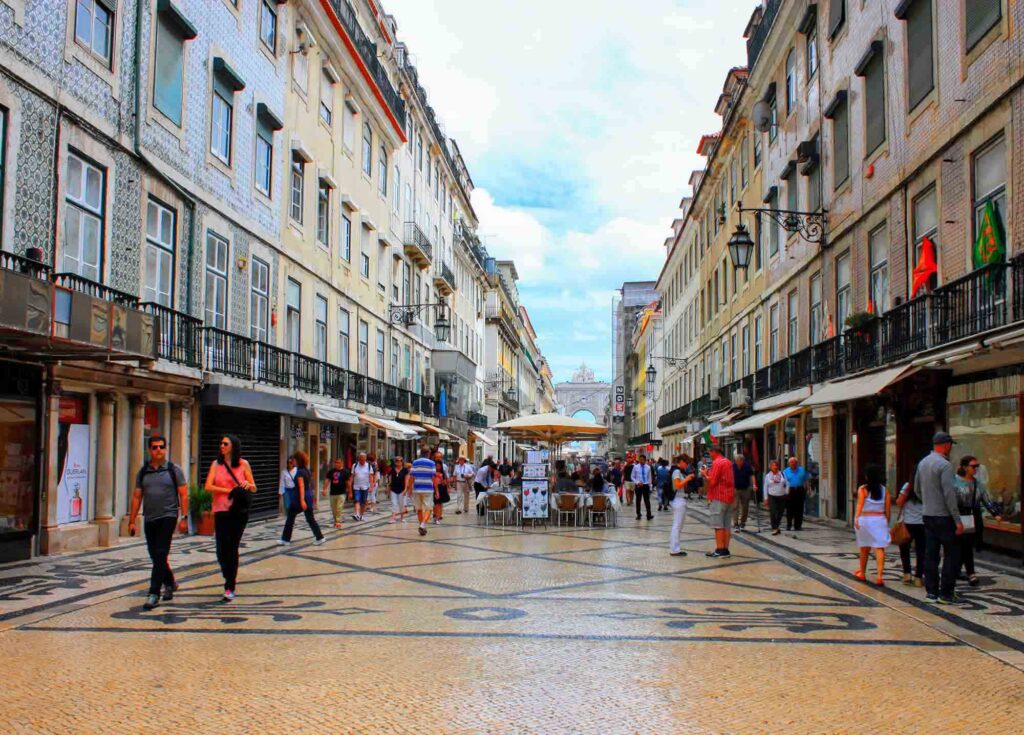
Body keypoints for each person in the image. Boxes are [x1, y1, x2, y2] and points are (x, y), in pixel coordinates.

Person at [129, 436, 188, 610]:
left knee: (161, 552)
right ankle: (170, 582)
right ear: (149, 450)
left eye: (161, 447)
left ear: (166, 449)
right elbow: (136, 496)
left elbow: (183, 495)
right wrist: (132, 521)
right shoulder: (143, 472)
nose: (158, 450)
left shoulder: (173, 470)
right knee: (155, 555)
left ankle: (154, 593)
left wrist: (184, 518)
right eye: (154, 447)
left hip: (168, 517)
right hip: (150, 518)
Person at [204, 434, 257, 601]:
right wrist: (230, 491)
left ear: (233, 446)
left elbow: (254, 487)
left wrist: (248, 486)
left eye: (225, 443)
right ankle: (227, 575)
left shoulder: (243, 464)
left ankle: (230, 585)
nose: (222, 446)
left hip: (238, 512)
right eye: (221, 443)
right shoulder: (216, 464)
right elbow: (208, 486)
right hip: (220, 510)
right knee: (221, 549)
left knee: (232, 547)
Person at [915, 431, 963, 605]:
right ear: (946, 445)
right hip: (944, 517)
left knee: (931, 554)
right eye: (950, 445)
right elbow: (949, 495)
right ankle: (946, 593)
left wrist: (928, 502)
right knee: (952, 555)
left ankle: (931, 592)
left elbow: (917, 489)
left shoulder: (923, 463)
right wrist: (957, 520)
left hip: (927, 515)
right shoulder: (944, 465)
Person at [954, 456, 1002, 587]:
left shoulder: (977, 484)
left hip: (972, 517)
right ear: (964, 467)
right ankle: (966, 571)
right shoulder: (955, 482)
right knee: (960, 545)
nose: (975, 469)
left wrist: (995, 513)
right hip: (958, 515)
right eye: (973, 466)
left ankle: (965, 571)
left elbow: (986, 499)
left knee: (967, 545)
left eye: (977, 466)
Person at [853, 464, 891, 586]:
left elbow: (859, 505)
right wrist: (886, 521)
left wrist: (856, 518)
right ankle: (880, 576)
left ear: (867, 476)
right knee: (879, 548)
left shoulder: (863, 489)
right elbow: (888, 509)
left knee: (864, 548)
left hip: (865, 519)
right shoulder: (885, 490)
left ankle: (862, 573)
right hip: (880, 519)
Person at [279, 450, 326, 546]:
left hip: (300, 498)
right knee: (310, 518)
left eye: (294, 460)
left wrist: (301, 500)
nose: (293, 462)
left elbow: (301, 486)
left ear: (297, 460)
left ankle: (285, 539)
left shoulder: (300, 472)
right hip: (308, 496)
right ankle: (320, 537)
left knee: (290, 517)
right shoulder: (307, 471)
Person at [701, 444, 735, 557]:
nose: (710, 455)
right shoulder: (728, 462)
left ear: (714, 452)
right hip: (729, 496)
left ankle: (720, 549)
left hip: (718, 496)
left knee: (718, 524)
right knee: (726, 525)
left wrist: (705, 474)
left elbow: (713, 481)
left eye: (710, 453)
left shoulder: (717, 463)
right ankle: (726, 549)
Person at [896, 480, 926, 587]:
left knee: (904, 548)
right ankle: (918, 577)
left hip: (908, 523)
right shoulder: (927, 485)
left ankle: (907, 574)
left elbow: (899, 502)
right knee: (921, 550)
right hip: (923, 522)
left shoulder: (908, 486)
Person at [409, 447, 438, 536]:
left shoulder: (415, 462)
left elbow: (411, 477)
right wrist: (437, 490)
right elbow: (433, 478)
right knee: (429, 508)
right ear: (428, 453)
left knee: (419, 509)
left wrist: (410, 489)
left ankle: (422, 526)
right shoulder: (432, 463)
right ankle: (423, 524)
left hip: (417, 488)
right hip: (428, 488)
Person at [669, 454, 694, 557]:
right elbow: (677, 485)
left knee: (679, 526)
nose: (687, 465)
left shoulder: (680, 472)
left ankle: (675, 548)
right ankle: (674, 549)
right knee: (677, 526)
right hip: (678, 500)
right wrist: (687, 479)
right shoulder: (677, 471)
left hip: (681, 500)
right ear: (682, 462)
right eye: (686, 463)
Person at [732, 451, 758, 531]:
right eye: (736, 461)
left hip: (745, 489)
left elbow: (752, 475)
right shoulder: (733, 466)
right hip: (735, 489)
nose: (738, 463)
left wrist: (754, 485)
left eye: (739, 461)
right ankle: (736, 524)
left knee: (745, 507)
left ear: (742, 461)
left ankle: (743, 522)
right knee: (735, 507)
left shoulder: (747, 466)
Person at [783, 456, 808, 533]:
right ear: (789, 464)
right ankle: (789, 525)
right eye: (791, 462)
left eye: (794, 462)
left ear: (797, 463)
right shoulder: (785, 471)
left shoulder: (802, 470)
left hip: (800, 490)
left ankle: (798, 526)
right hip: (790, 490)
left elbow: (806, 480)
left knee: (799, 509)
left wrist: (807, 489)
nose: (793, 464)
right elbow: (783, 483)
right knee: (790, 509)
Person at [763, 460, 788, 535]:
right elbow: (765, 487)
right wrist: (766, 498)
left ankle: (777, 526)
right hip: (772, 496)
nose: (775, 467)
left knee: (780, 513)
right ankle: (774, 527)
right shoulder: (768, 476)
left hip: (782, 495)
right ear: (770, 467)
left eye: (776, 465)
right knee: (773, 512)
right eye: (773, 465)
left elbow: (787, 483)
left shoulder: (782, 474)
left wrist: (787, 493)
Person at [323, 458, 349, 529]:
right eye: (336, 462)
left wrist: (350, 492)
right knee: (334, 509)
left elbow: (348, 482)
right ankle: (336, 521)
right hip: (333, 493)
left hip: (342, 493)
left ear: (342, 463)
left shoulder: (345, 472)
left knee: (339, 508)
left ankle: (338, 521)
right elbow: (327, 480)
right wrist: (324, 489)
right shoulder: (331, 471)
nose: (336, 464)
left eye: (338, 462)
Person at [348, 452, 374, 521]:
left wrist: (371, 486)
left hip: (365, 486)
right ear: (358, 459)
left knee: (364, 502)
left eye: (363, 459)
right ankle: (357, 514)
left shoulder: (369, 466)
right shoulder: (355, 465)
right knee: (357, 500)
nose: (362, 461)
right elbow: (352, 476)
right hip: (356, 486)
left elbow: (371, 477)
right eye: (360, 459)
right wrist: (350, 486)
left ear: (365, 459)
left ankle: (361, 515)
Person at [632, 455, 654, 521]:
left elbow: (649, 477)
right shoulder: (636, 467)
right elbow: (632, 476)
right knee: (638, 500)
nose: (642, 461)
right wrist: (637, 482)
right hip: (638, 485)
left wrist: (650, 486)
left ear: (645, 460)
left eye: (643, 460)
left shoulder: (648, 467)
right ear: (639, 460)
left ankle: (649, 515)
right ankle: (638, 514)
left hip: (645, 485)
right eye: (640, 459)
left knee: (647, 500)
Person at [433, 451, 451, 525]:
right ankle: (436, 514)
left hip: (441, 487)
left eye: (440, 457)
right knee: (435, 503)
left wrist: (448, 486)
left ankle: (438, 515)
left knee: (439, 503)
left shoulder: (444, 466)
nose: (438, 458)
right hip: (433, 487)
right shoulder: (432, 466)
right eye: (437, 457)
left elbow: (446, 477)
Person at [389, 456, 408, 523]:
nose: (399, 462)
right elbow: (390, 479)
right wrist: (388, 487)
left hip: (402, 489)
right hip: (393, 489)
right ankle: (393, 517)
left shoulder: (405, 470)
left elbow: (406, 479)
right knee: (394, 503)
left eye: (400, 461)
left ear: (402, 462)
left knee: (401, 503)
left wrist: (405, 489)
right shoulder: (392, 469)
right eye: (397, 461)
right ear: (395, 462)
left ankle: (402, 517)